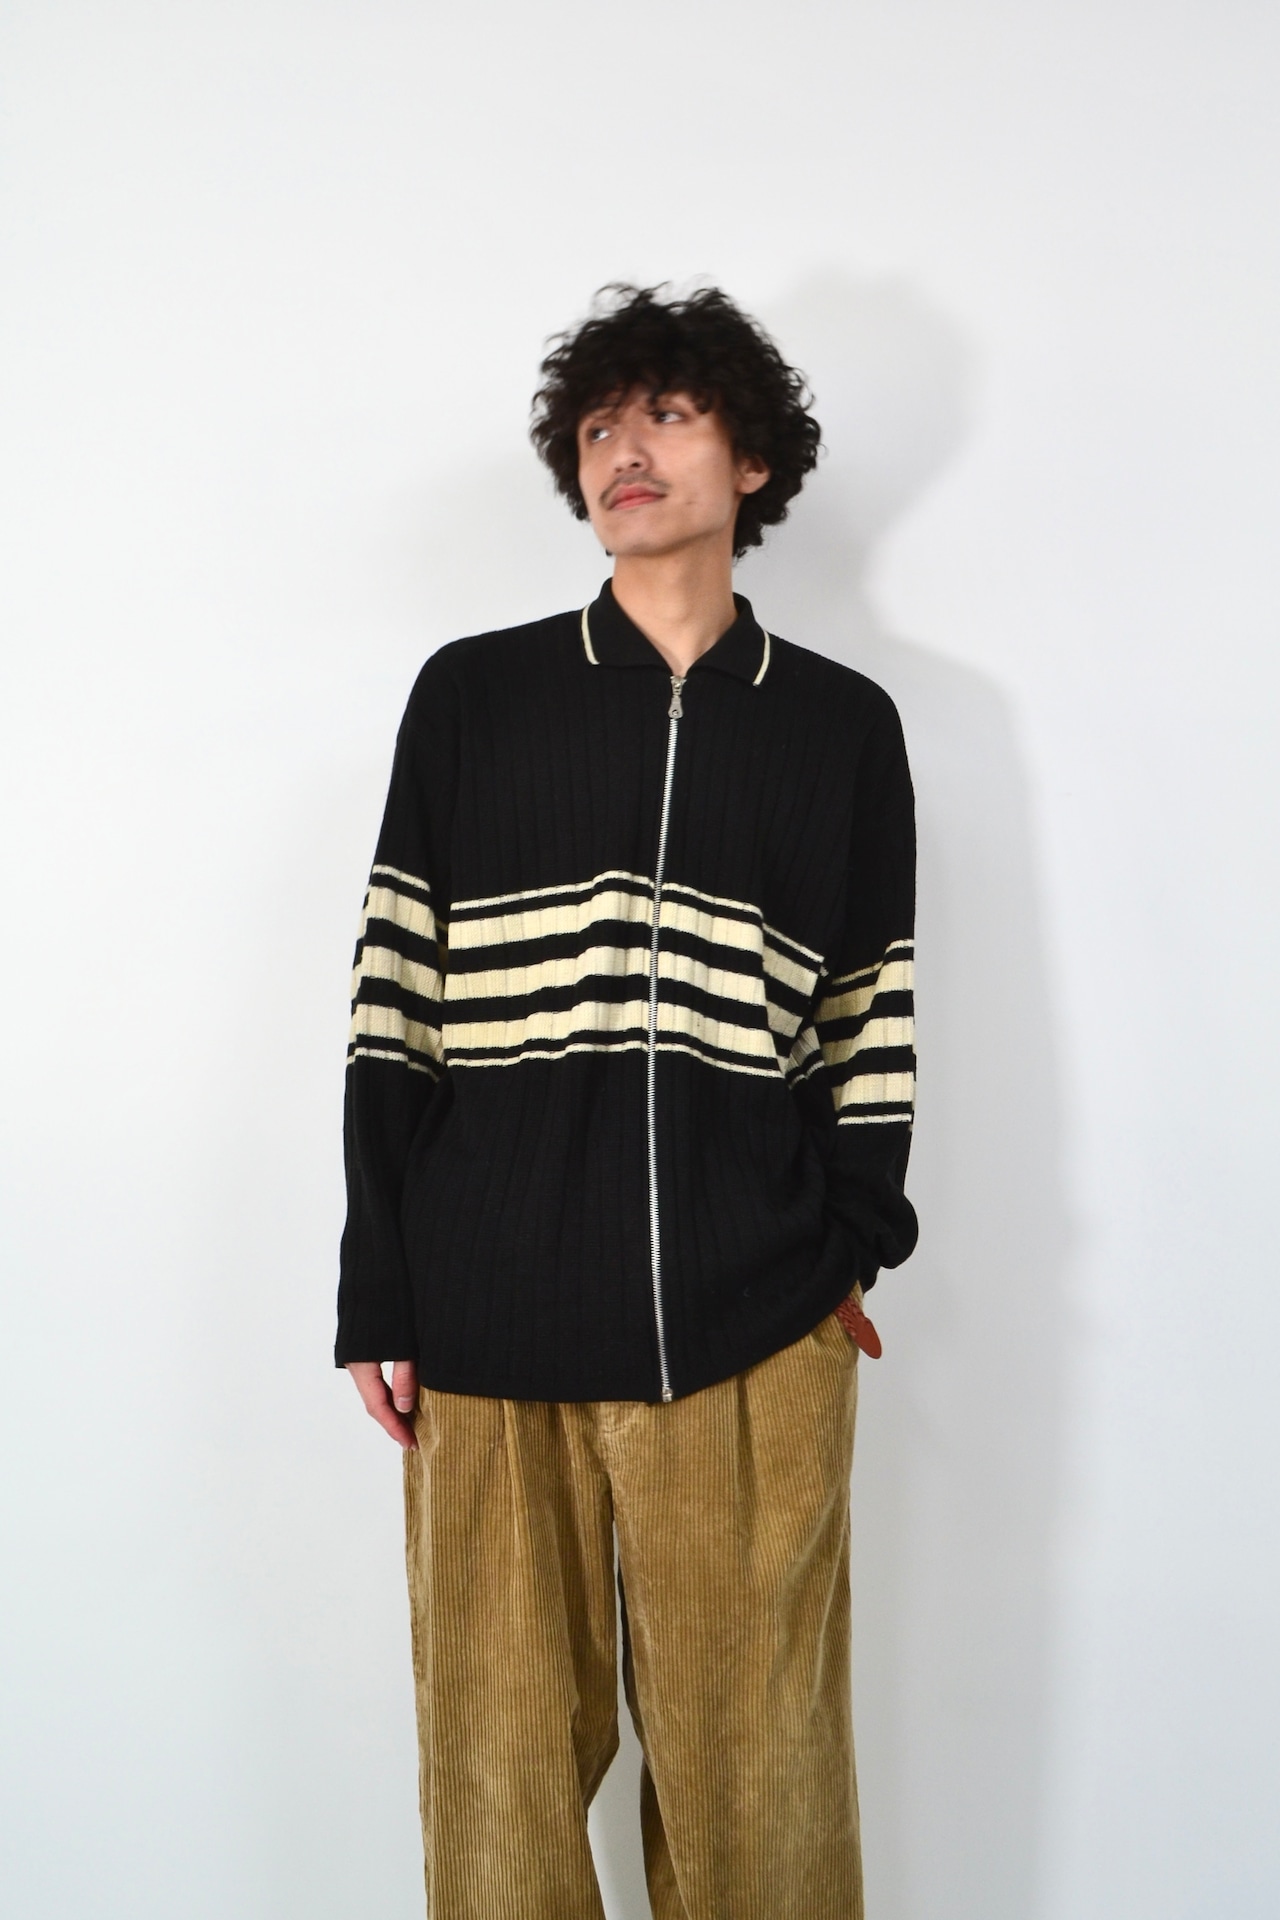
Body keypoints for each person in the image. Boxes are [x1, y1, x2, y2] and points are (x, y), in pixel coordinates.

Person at [336, 283, 918, 1919]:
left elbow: (870, 1012)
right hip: (487, 1315)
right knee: (498, 1791)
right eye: (598, 426)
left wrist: (847, 1244)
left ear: (754, 458)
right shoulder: (476, 696)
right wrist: (381, 1283)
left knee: (764, 1796)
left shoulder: (839, 728)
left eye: (665, 412)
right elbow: (393, 1002)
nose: (624, 450)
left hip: (752, 1325)